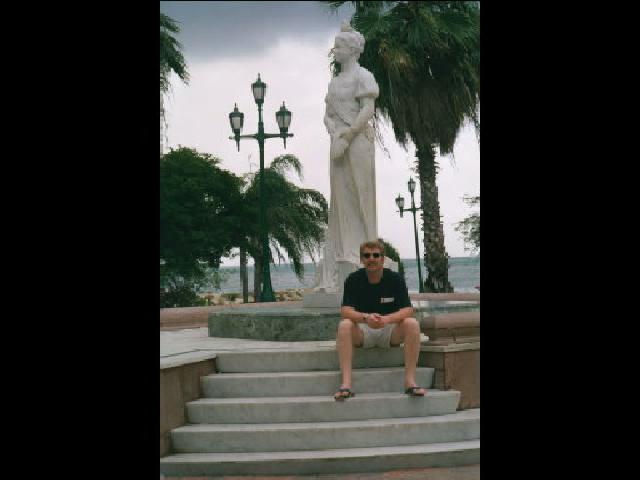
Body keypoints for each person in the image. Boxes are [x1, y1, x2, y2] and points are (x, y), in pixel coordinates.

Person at [314, 23, 379, 292]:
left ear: (352, 50)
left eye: (339, 46)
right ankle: (343, 250)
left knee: (361, 194)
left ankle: (368, 250)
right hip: (338, 142)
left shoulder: (363, 76)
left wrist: (348, 136)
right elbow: (327, 114)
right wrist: (335, 134)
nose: (335, 50)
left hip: (357, 141)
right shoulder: (334, 83)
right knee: (340, 198)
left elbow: (368, 110)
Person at [334, 240, 427, 400]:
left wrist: (387, 319)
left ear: (383, 259)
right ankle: (346, 385)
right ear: (362, 259)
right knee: (345, 325)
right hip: (363, 330)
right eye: (367, 255)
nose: (371, 259)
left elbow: (408, 310)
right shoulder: (353, 279)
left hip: (389, 330)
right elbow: (345, 311)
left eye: (376, 255)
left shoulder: (395, 279)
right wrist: (366, 317)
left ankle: (410, 382)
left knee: (412, 323)